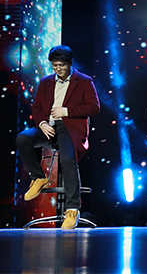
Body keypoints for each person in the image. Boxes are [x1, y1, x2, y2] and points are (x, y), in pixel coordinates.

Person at [16, 45, 100, 229]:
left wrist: (66, 111)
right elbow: (37, 107)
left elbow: (94, 107)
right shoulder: (46, 82)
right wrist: (42, 123)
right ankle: (38, 177)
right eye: (55, 65)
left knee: (67, 159)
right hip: (48, 127)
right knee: (23, 138)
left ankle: (72, 209)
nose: (58, 69)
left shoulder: (84, 81)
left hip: (70, 128)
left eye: (62, 65)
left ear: (70, 63)